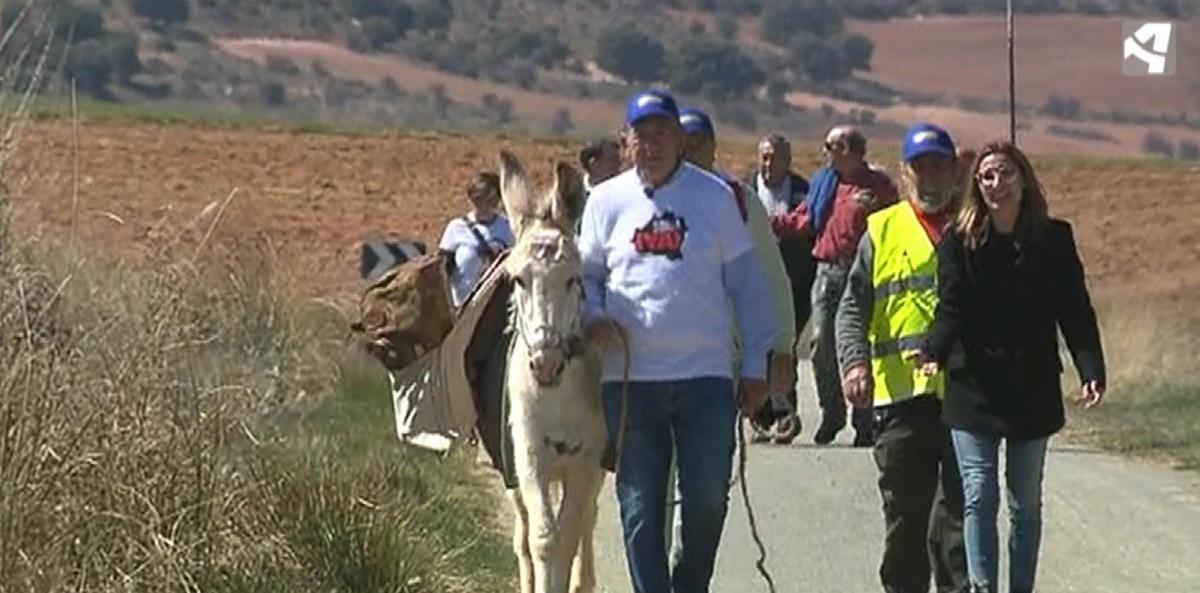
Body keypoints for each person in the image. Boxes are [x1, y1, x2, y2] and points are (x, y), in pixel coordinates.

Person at [580, 88, 776, 593]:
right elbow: (585, 279)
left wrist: (756, 364)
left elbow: (749, 286)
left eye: (662, 133)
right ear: (626, 143)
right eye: (641, 136)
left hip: (705, 378)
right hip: (630, 380)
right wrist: (595, 314)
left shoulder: (714, 198)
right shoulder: (605, 202)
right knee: (640, 505)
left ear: (681, 139)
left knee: (708, 496)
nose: (652, 144)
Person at [915, 141, 1106, 593]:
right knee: (979, 493)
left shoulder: (1054, 239)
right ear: (976, 187)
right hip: (973, 384)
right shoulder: (958, 241)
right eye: (986, 177)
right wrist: (932, 351)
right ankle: (982, 586)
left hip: (1031, 385)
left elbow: (1074, 309)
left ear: (1023, 180)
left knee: (1025, 505)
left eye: (1004, 174)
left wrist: (1090, 366)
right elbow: (951, 308)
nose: (995, 184)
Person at [836, 122, 970, 593]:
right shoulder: (883, 229)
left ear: (956, 172)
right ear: (904, 173)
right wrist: (854, 362)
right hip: (899, 401)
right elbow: (852, 306)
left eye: (939, 166)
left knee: (957, 525)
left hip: (965, 398)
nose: (930, 177)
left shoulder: (977, 229)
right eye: (920, 167)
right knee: (906, 523)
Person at [772, 125, 898, 446]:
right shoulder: (824, 184)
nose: (826, 151)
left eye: (832, 145)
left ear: (851, 151)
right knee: (820, 343)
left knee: (860, 346)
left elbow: (895, 226)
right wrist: (769, 221)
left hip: (864, 273)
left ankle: (865, 420)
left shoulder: (878, 186)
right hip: (827, 272)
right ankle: (833, 413)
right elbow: (804, 220)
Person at [745, 133, 813, 444]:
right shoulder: (743, 190)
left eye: (777, 157)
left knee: (785, 346)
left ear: (789, 160)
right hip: (754, 282)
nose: (769, 163)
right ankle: (762, 415)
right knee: (758, 347)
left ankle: (787, 413)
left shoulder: (804, 192)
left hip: (794, 282)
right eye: (765, 156)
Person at [437, 172, 515, 309]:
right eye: (478, 198)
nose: (484, 203)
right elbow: (442, 270)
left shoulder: (508, 228)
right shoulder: (456, 228)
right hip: (463, 306)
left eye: (490, 197)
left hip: (496, 308)